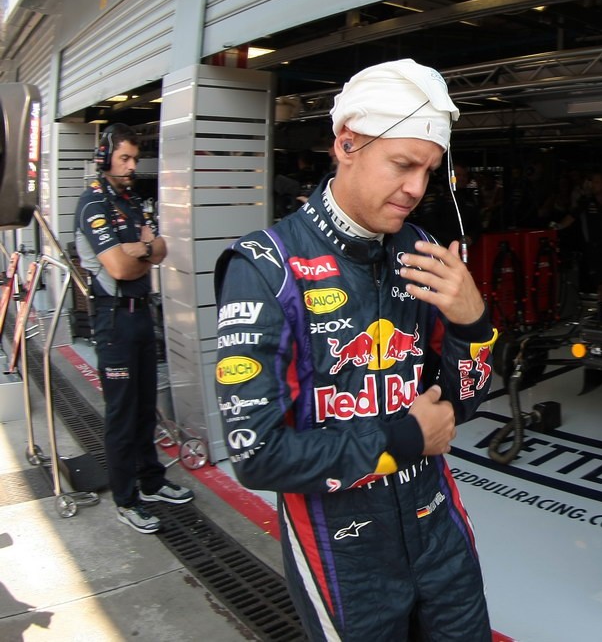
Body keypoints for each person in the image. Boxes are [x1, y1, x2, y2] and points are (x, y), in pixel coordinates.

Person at [213, 59, 498, 641]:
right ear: (346, 144)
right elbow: (259, 455)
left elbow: (461, 404)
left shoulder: (420, 248)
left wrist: (475, 322)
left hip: (436, 525)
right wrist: (404, 438)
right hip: (342, 549)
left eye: (429, 169)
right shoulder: (266, 267)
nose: (418, 188)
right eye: (403, 164)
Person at [75, 123, 193, 534]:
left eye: (134, 160)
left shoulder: (131, 201)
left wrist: (142, 248)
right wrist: (143, 250)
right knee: (123, 415)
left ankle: (152, 481)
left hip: (142, 313)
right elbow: (121, 267)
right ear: (105, 157)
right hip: (113, 320)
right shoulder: (93, 205)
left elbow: (161, 249)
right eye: (124, 158)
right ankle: (126, 499)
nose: (131, 166)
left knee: (146, 408)